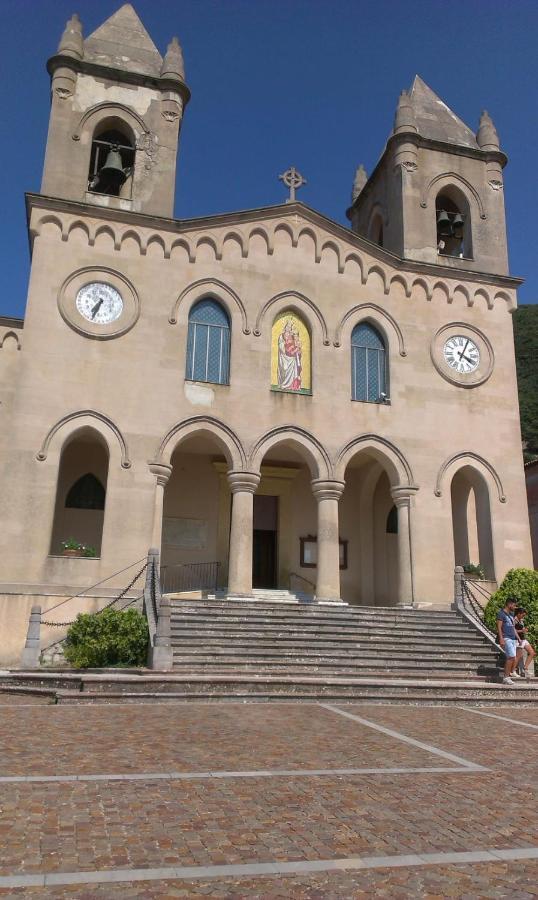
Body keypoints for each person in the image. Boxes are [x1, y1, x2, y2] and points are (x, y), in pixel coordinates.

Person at [496, 597, 523, 685]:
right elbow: (499, 627)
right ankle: (506, 678)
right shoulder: (501, 614)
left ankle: (507, 676)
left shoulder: (511, 614)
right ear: (509, 604)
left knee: (512, 657)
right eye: (514, 605)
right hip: (506, 637)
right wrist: (501, 638)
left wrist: (518, 638)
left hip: (512, 638)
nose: (515, 607)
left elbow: (513, 627)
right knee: (511, 657)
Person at [514, 607, 535, 678]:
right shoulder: (514, 620)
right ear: (519, 614)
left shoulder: (521, 620)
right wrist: (522, 631)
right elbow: (512, 630)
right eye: (523, 615)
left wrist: (524, 630)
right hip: (517, 639)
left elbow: (521, 628)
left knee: (532, 652)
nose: (523, 616)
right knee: (518, 656)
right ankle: (513, 670)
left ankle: (525, 668)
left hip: (523, 639)